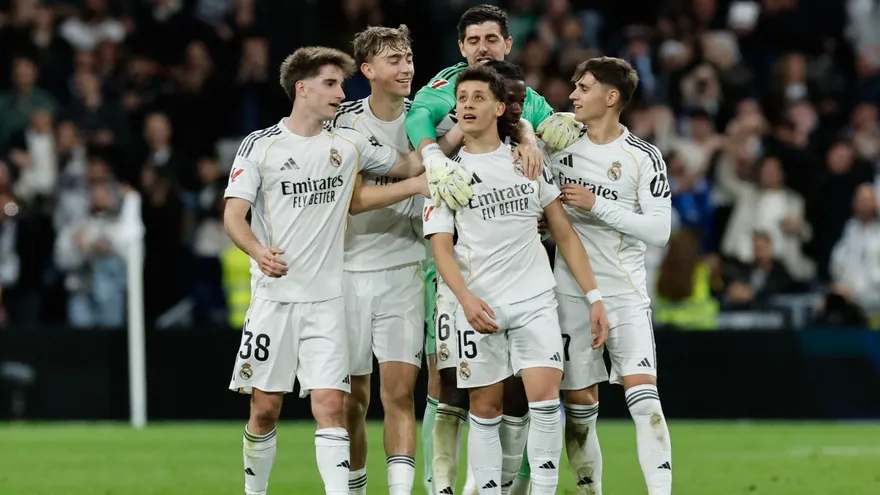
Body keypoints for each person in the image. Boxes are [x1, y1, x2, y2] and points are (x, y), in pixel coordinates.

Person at [223, 46, 454, 495]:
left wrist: (451, 141)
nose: (340, 93)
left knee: (332, 405)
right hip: (275, 298)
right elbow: (234, 215)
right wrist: (257, 251)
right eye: (330, 84)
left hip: (329, 300)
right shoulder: (261, 145)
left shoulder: (347, 142)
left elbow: (405, 164)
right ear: (302, 88)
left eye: (342, 84)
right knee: (265, 409)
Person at [407, 6, 582, 493]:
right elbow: (419, 117)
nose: (482, 47)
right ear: (461, 49)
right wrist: (431, 157)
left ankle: (512, 483)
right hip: (455, 261)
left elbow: (548, 130)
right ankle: (441, 485)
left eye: (491, 39)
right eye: (473, 40)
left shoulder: (525, 97)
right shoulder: (444, 88)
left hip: (519, 264)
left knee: (523, 389)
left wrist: (539, 132)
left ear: (507, 44)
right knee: (446, 382)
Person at [424, 65, 609, 495]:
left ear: (499, 107)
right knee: (484, 409)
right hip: (479, 305)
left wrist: (594, 296)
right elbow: (440, 248)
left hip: (534, 299)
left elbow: (563, 231)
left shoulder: (527, 162)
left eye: (477, 97)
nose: (467, 105)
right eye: (462, 98)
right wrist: (466, 299)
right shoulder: (447, 174)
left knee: (544, 404)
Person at [323, 25, 456, 495]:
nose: (405, 68)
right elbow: (351, 199)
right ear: (368, 70)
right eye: (393, 60)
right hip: (349, 272)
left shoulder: (431, 121)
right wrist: (417, 183)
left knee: (399, 394)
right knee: (351, 400)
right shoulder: (343, 124)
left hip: (405, 268)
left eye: (408, 58)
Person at [544, 56, 673, 495]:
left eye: (584, 87)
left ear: (611, 97)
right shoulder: (557, 142)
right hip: (568, 291)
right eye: (574, 87)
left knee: (644, 399)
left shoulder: (642, 155)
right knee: (579, 403)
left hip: (623, 290)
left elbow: (660, 229)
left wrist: (596, 205)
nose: (573, 94)